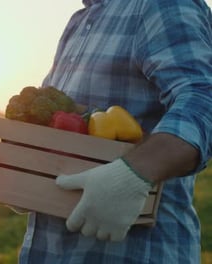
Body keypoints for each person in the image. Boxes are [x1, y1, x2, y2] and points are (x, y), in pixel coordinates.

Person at [18, 0, 212, 263]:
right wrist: (31, 176)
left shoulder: (160, 4)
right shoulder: (78, 23)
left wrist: (133, 175)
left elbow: (202, 97)